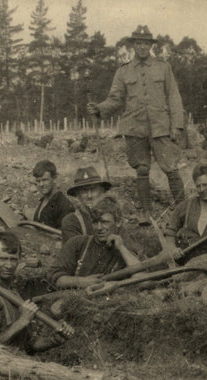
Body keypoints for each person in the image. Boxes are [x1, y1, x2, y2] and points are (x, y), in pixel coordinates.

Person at [88, 25, 187, 215]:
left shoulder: (163, 67)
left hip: (160, 127)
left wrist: (177, 125)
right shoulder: (123, 71)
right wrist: (99, 108)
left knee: (171, 169)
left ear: (151, 45)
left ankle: (184, 211)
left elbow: (174, 97)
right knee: (142, 170)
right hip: (135, 128)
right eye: (139, 43)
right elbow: (115, 99)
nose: (142, 47)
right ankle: (146, 214)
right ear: (133, 45)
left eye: (146, 44)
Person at [0, 230, 73, 352]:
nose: (9, 265)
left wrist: (53, 340)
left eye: (13, 259)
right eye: (3, 259)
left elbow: (27, 345)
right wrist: (22, 321)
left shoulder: (13, 293)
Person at [49, 196, 142, 289]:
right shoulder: (77, 243)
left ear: (118, 222)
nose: (99, 228)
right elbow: (55, 277)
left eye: (105, 222)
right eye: (95, 222)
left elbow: (143, 278)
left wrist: (121, 248)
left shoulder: (126, 248)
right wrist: (81, 281)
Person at [61, 166, 111, 242]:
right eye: (84, 191)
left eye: (93, 189)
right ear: (77, 195)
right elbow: (76, 251)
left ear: (102, 191)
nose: (89, 196)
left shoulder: (113, 215)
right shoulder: (72, 221)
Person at [29, 160, 76, 230]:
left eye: (45, 180)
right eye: (38, 181)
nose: (41, 184)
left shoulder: (64, 205)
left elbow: (63, 236)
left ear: (54, 178)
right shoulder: (44, 201)